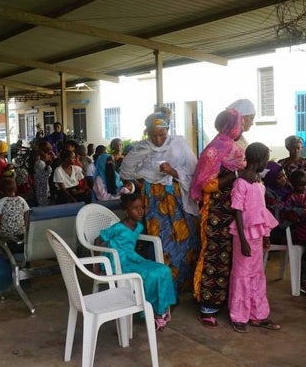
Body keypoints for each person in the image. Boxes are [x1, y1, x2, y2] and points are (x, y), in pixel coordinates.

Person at [120, 107, 200, 293]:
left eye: (162, 135)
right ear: (147, 132)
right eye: (153, 136)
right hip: (154, 203)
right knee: (161, 243)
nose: (158, 140)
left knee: (185, 239)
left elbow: (194, 172)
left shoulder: (179, 145)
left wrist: (172, 171)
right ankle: (164, 288)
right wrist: (143, 186)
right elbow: (126, 171)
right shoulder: (142, 148)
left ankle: (182, 285)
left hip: (178, 200)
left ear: (168, 130)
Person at [191, 109, 247, 327]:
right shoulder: (218, 148)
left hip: (232, 207)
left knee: (230, 255)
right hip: (217, 210)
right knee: (216, 253)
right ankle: (208, 305)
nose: (241, 128)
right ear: (232, 126)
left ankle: (224, 301)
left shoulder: (225, 145)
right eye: (240, 124)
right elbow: (207, 184)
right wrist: (234, 175)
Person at [96, 193, 177, 330]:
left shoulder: (139, 226)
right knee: (149, 275)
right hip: (119, 262)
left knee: (163, 270)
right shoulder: (118, 228)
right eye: (135, 208)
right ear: (126, 211)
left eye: (142, 207)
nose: (140, 211)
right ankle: (153, 312)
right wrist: (97, 266)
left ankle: (161, 308)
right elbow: (97, 240)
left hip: (133, 258)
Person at [228, 142, 281, 333]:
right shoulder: (240, 183)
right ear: (257, 160)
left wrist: (266, 234)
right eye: (265, 160)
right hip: (243, 236)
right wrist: (242, 240)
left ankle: (259, 315)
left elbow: (261, 210)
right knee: (242, 275)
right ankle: (239, 316)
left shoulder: (259, 183)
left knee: (257, 275)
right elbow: (238, 211)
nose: (266, 164)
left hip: (257, 236)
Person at [281, 169, 306, 295]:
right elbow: (288, 212)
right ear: (292, 184)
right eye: (300, 185)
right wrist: (304, 212)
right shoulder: (290, 197)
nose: (304, 187)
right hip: (299, 228)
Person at [0, 177, 30, 244]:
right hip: (21, 233)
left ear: (2, 190)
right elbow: (27, 217)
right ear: (15, 188)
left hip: (6, 236)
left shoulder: (1, 202)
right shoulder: (21, 200)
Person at [33, 141, 55, 206]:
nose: (50, 155)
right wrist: (49, 164)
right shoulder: (40, 163)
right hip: (42, 191)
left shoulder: (42, 162)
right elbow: (44, 176)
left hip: (45, 189)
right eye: (49, 152)